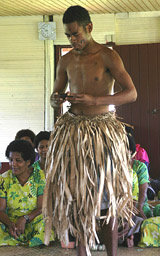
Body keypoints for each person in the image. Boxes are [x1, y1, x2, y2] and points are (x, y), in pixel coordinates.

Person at [42, 5, 137, 256]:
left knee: (108, 201)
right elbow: (53, 97)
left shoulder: (108, 56)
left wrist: (95, 100)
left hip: (101, 134)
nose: (73, 40)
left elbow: (131, 93)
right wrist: (57, 99)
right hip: (73, 133)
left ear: (89, 28)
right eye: (68, 36)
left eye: (76, 34)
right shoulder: (65, 60)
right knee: (78, 201)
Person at [0, 140, 54, 247]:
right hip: (10, 223)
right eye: (10, 160)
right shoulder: (4, 179)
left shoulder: (39, 177)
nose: (13, 164)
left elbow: (41, 207)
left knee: (45, 223)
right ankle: (14, 236)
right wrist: (11, 225)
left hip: (32, 220)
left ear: (28, 162)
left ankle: (34, 242)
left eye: (18, 160)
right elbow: (0, 210)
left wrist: (25, 218)